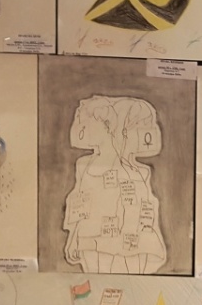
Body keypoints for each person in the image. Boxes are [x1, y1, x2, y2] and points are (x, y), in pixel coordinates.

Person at [64, 95, 167, 274]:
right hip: (91, 239)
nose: (86, 130)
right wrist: (73, 239)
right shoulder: (84, 166)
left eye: (91, 124)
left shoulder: (140, 172)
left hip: (131, 243)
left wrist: (147, 236)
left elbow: (147, 208)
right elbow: (79, 204)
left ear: (108, 128)